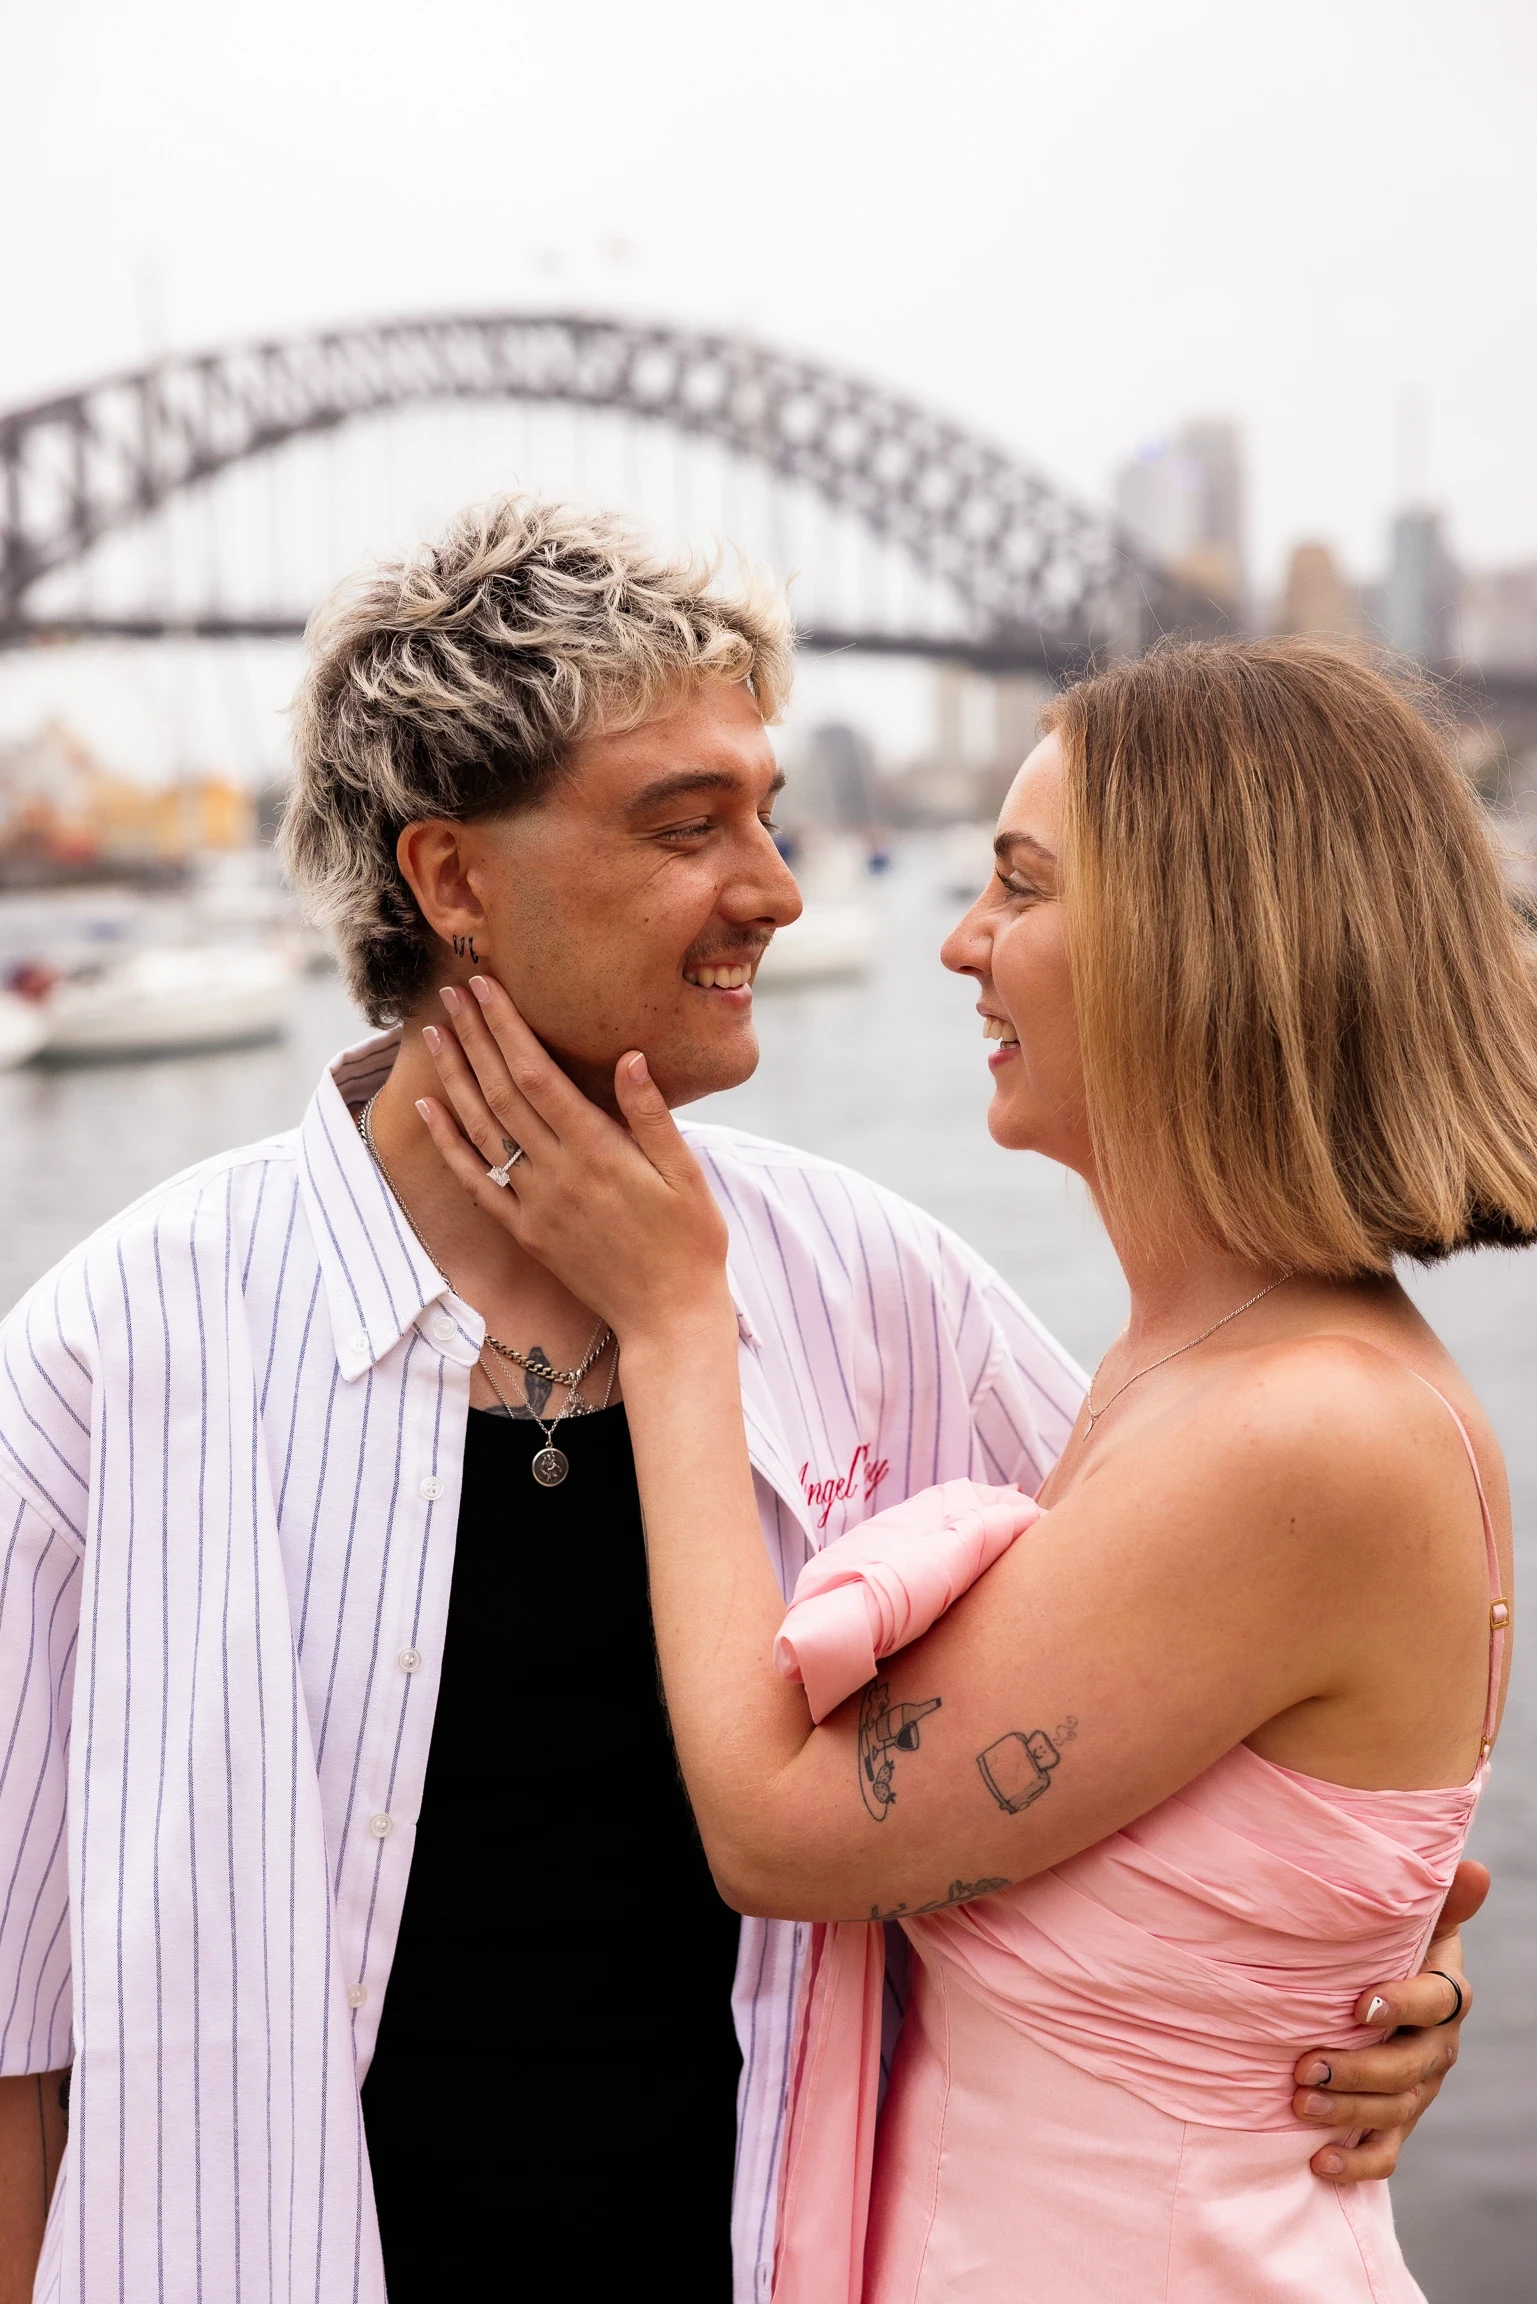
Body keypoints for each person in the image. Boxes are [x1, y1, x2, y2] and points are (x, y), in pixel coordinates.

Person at [0, 506, 1478, 2304]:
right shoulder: (112, 1363)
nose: (777, 888)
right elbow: (12, 2036)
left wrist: (1369, 1983)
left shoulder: (890, 1298)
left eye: (770, 814)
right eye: (688, 826)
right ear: (452, 879)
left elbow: (1225, 1728)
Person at [410, 633, 1524, 2302]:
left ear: (1197, 943)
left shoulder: (1305, 1429)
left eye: (1022, 883)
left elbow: (786, 1838)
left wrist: (678, 1314)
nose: (961, 938)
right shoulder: (1184, 1371)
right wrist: (1355, 1950)